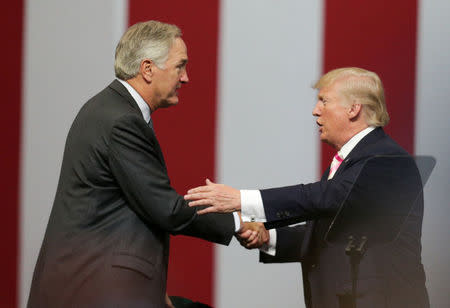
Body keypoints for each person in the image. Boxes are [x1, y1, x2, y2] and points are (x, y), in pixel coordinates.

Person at [27, 20, 246, 308]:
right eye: (180, 66)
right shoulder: (122, 122)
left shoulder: (106, 109)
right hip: (95, 290)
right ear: (147, 69)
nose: (186, 78)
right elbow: (166, 209)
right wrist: (238, 223)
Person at [185, 67, 429, 308]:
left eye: (324, 101)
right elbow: (335, 235)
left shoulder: (386, 159)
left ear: (353, 109)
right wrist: (268, 237)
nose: (315, 111)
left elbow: (326, 197)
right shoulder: (353, 160)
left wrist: (242, 199)